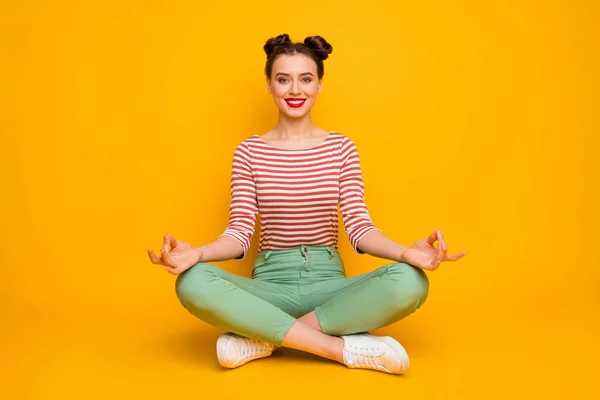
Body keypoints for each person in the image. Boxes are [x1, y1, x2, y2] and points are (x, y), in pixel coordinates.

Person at [147, 33, 467, 374]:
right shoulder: (249, 151)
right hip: (269, 285)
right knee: (192, 282)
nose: (295, 90)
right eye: (283, 79)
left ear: (319, 85)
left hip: (329, 286)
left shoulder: (341, 148)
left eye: (306, 79)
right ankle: (337, 349)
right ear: (269, 85)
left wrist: (405, 253)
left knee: (411, 281)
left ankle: (264, 335)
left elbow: (359, 228)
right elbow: (239, 234)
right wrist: (197, 253)